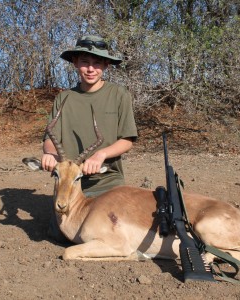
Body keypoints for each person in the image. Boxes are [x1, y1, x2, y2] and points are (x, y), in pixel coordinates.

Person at [41, 35, 138, 242]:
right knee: (60, 235)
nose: (90, 69)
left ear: (106, 65)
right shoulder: (64, 98)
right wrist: (49, 154)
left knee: (98, 233)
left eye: (97, 63)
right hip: (69, 182)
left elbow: (127, 140)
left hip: (106, 180)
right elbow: (50, 138)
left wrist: (101, 154)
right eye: (85, 62)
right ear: (75, 63)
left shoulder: (119, 94)